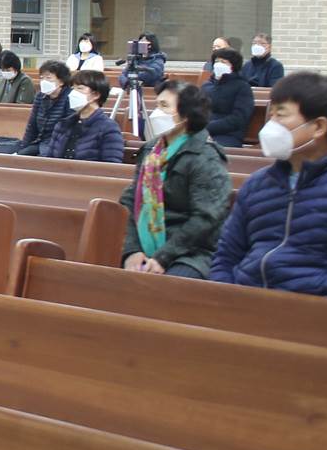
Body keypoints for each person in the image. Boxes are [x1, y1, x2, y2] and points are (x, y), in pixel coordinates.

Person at [210, 72, 327, 302]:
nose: (270, 125)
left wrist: (312, 315)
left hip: (313, 313)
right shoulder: (257, 185)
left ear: (319, 126)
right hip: (244, 304)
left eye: (281, 115)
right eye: (271, 115)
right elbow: (226, 257)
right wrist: (225, 301)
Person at [119, 80, 232, 279]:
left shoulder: (204, 156)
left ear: (186, 115)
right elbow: (131, 200)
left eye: (164, 106)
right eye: (157, 105)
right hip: (145, 243)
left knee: (159, 288)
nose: (157, 113)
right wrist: (132, 250)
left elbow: (206, 218)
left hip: (191, 252)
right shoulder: (151, 150)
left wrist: (163, 257)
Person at [42, 69, 125, 161]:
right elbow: (49, 160)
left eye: (79, 88)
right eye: (73, 88)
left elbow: (112, 164)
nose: (73, 93)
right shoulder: (63, 124)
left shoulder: (108, 127)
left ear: (96, 95)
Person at [8, 60, 71, 156]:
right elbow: (32, 126)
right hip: (41, 143)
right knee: (17, 157)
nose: (44, 81)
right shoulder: (40, 96)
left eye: (48, 78)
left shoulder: (69, 97)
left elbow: (67, 130)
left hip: (59, 146)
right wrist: (23, 148)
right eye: (42, 78)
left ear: (61, 81)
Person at [204, 46, 255, 149]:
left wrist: (208, 127)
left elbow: (238, 118)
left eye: (223, 62)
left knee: (210, 149)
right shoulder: (207, 86)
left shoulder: (242, 87)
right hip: (203, 132)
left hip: (228, 135)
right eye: (217, 61)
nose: (219, 64)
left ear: (233, 66)